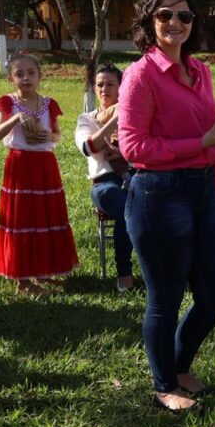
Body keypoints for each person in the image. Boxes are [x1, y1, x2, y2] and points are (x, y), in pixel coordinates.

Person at [118, 0, 215, 412]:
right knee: (165, 298)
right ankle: (164, 385)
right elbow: (133, 148)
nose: (175, 23)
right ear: (150, 22)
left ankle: (181, 364)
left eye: (184, 16)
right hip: (158, 194)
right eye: (165, 15)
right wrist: (199, 140)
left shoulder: (201, 71)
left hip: (205, 187)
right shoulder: (140, 75)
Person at [0, 53, 78, 295]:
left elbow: (56, 134)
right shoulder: (7, 103)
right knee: (22, 218)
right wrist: (15, 120)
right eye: (19, 74)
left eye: (31, 73)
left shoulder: (48, 103)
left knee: (45, 216)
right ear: (12, 78)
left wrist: (48, 137)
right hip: (20, 166)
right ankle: (23, 279)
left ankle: (42, 270)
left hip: (45, 165)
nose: (25, 78)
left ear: (39, 76)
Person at [74, 63, 135, 292]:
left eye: (110, 84)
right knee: (125, 205)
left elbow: (146, 147)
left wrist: (123, 152)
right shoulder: (87, 119)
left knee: (137, 201)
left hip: (137, 175)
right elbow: (89, 147)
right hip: (105, 183)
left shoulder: (136, 114)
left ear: (122, 88)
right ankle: (125, 274)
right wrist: (116, 120)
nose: (104, 89)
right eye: (99, 84)